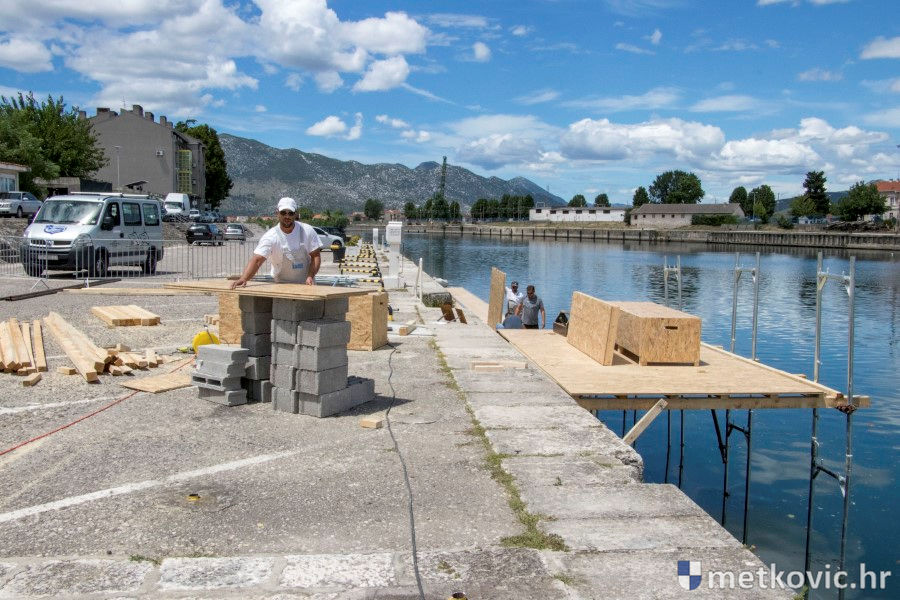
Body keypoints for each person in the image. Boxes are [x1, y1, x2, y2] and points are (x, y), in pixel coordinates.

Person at [230, 197, 322, 289]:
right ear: (277, 213)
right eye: (283, 213)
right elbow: (257, 260)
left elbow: (315, 256)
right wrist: (244, 278)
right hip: (281, 285)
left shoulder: (307, 231)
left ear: (295, 214)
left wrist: (310, 276)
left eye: (290, 213)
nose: (287, 216)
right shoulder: (270, 236)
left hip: (307, 284)